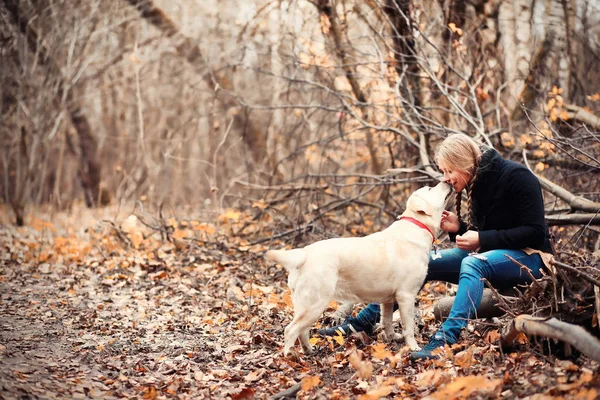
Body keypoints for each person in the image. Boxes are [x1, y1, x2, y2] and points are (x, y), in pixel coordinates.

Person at [318, 133, 554, 360]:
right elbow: (491, 231)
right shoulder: (476, 182)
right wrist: (459, 228)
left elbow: (534, 232)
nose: (446, 178)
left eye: (449, 171)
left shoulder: (517, 177)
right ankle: (362, 324)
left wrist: (481, 239)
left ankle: (446, 338)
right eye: (443, 171)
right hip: (494, 257)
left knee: (472, 263)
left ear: (465, 164)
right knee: (421, 264)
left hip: (532, 259)